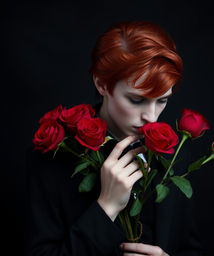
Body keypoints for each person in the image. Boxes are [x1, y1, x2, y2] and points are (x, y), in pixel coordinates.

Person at [25, 21, 202, 256]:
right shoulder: (55, 155)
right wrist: (106, 206)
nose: (151, 117)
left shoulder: (175, 152)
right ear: (101, 84)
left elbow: (189, 248)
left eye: (162, 100)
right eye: (137, 100)